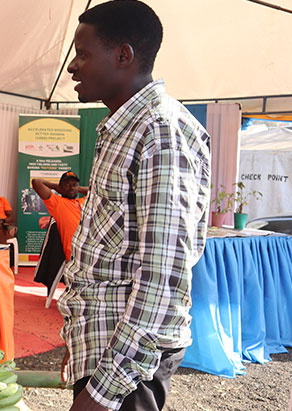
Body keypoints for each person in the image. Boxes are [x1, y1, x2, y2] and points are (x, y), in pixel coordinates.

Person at [58, 1, 211, 410]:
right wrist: (81, 343)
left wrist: (102, 391)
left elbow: (163, 278)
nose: (72, 67)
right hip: (108, 346)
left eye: (83, 54)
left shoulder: (161, 131)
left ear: (123, 55)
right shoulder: (123, 127)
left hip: (128, 365)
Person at [31, 171, 89, 261]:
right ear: (60, 187)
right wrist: (56, 187)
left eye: (74, 184)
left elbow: (95, 191)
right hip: (74, 256)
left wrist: (77, 189)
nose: (71, 187)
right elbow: (36, 182)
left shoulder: (82, 201)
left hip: (89, 252)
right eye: (67, 185)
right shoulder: (56, 202)